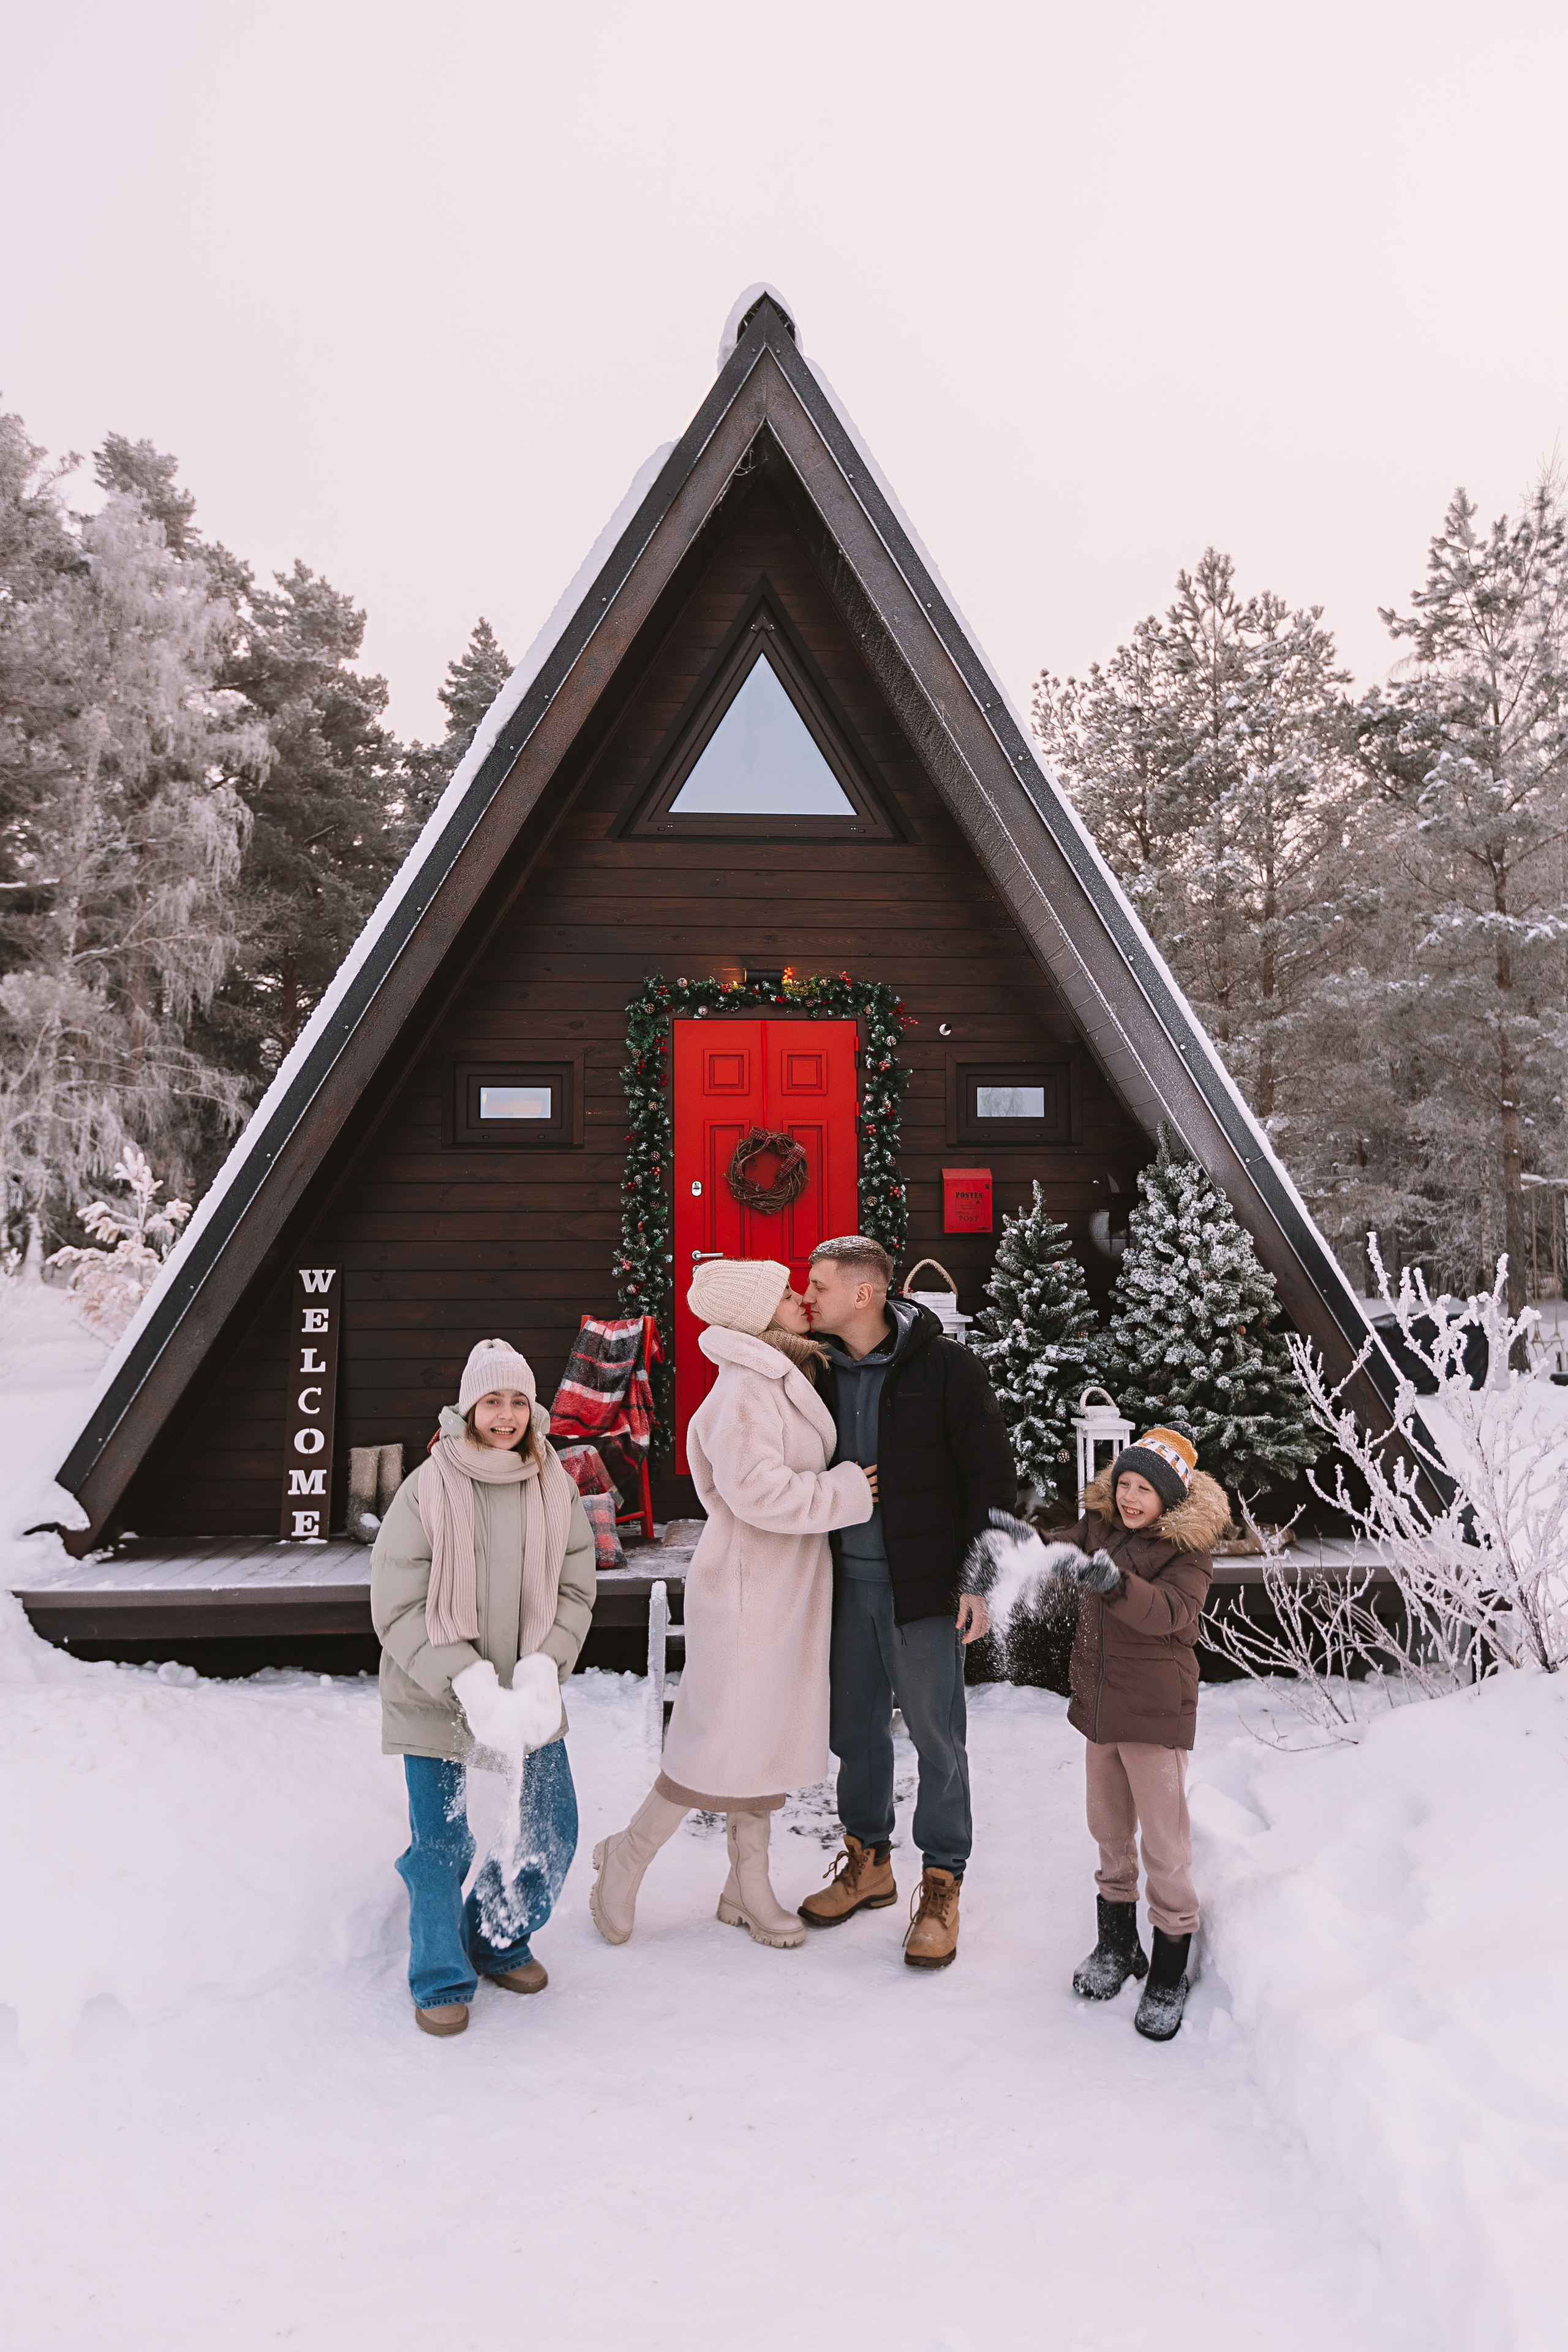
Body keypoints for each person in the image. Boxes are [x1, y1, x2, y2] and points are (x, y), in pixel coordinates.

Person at [589, 1259, 873, 1951]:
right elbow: (756, 1493)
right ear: (753, 1313)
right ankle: (626, 1855)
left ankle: (746, 1887)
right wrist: (843, 1492)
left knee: (760, 1742)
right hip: (750, 1589)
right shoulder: (747, 1386)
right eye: (784, 1292)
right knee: (714, 1743)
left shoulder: (784, 1372)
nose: (801, 1297)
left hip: (784, 1587)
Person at [371, 1338, 597, 2037]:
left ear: (533, 1410)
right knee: (439, 1844)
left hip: (528, 1690)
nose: (505, 1415)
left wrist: (541, 1669)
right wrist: (466, 1680)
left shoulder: (555, 1484)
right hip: (435, 1689)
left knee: (552, 1828)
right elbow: (399, 1603)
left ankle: (498, 1938)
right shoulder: (427, 1487)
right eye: (492, 1401)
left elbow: (573, 1590)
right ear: (468, 1407)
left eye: (517, 1401)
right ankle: (440, 1974)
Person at [801, 1235, 1015, 1969]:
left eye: (820, 1286)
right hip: (840, 1586)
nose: (809, 1297)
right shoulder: (816, 1370)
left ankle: (942, 1881)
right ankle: (869, 1863)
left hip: (922, 1591)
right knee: (854, 1735)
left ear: (863, 1294)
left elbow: (990, 1476)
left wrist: (978, 1580)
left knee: (936, 1739)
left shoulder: (948, 1369)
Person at [1055, 1424, 1224, 2041]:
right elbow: (1062, 1550)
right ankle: (1117, 1946)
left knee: (1164, 1845)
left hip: (1154, 1717)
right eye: (1122, 1483)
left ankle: (1170, 1965)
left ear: (1169, 1497)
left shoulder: (1188, 1550)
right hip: (1101, 1708)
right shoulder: (1100, 1528)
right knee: (1107, 1829)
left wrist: (1116, 1586)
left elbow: (1170, 1614)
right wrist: (1025, 1545)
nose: (1129, 1497)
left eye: (1143, 1489)